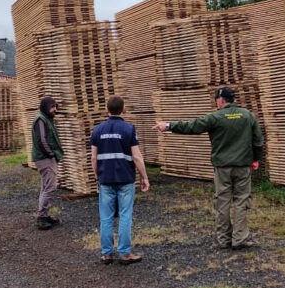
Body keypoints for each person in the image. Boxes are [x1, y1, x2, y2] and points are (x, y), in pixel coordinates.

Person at [154, 87, 264, 250]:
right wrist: (255, 159)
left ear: (221, 100)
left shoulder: (215, 117)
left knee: (222, 201)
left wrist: (169, 126)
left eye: (216, 101)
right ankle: (240, 238)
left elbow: (192, 126)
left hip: (222, 167)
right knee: (242, 200)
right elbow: (258, 140)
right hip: (242, 166)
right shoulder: (247, 115)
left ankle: (223, 239)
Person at [90, 96, 150, 265]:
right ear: (123, 109)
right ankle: (124, 253)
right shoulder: (129, 129)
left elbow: (93, 158)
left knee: (106, 217)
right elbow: (137, 157)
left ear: (107, 109)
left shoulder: (97, 130)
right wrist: (144, 177)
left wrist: (97, 176)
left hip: (105, 179)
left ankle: (106, 253)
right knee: (125, 216)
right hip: (125, 179)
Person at [31, 96, 64, 230]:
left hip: (45, 157)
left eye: (55, 106)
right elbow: (42, 140)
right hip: (44, 158)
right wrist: (51, 154)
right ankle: (41, 217)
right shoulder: (41, 120)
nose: (54, 109)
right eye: (52, 107)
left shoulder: (46, 119)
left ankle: (44, 215)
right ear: (45, 107)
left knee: (45, 187)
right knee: (50, 187)